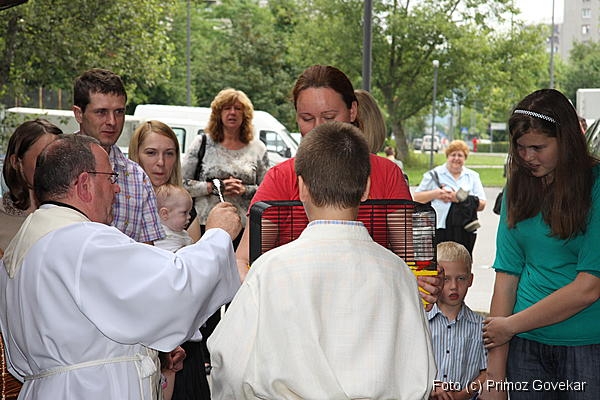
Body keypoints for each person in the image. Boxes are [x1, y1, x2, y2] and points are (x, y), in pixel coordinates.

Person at [0, 134, 242, 400]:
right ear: (85, 184)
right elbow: (172, 287)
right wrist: (218, 235)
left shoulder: (25, 243)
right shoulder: (82, 240)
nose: (116, 189)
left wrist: (152, 350)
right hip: (92, 391)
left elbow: (106, 321)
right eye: (110, 178)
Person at [208, 121, 436, 399]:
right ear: (366, 188)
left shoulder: (270, 270)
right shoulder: (398, 274)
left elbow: (229, 363)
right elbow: (420, 370)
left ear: (301, 187)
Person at [235, 65, 441, 305]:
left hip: (371, 309)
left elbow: (411, 262)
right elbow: (243, 261)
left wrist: (425, 282)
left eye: (329, 117)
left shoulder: (387, 174)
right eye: (307, 118)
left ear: (353, 111)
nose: (318, 127)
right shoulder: (280, 178)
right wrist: (269, 300)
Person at [480, 89, 600, 400]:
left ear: (567, 140)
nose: (527, 157)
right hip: (525, 348)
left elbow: (589, 287)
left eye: (538, 147)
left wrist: (510, 326)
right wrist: (495, 377)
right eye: (520, 148)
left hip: (587, 346)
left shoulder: (596, 186)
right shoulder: (517, 188)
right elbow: (506, 279)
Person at [73, 68, 164, 244]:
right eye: (101, 112)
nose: (112, 121)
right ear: (79, 114)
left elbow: (147, 251)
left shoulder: (137, 177)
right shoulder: (56, 165)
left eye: (119, 112)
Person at [182, 88, 270, 249]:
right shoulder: (202, 143)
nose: (232, 112)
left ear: (245, 115)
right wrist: (213, 187)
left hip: (245, 228)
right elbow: (181, 184)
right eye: (227, 108)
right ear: (218, 113)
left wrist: (245, 190)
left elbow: (268, 191)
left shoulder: (258, 148)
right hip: (205, 225)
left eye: (238, 108)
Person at [428, 241, 486, 400]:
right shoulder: (421, 323)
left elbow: (486, 372)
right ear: (434, 279)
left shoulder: (480, 327)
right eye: (446, 279)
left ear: (470, 279)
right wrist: (429, 387)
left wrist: (464, 393)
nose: (454, 286)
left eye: (461, 278)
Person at [129, 120, 201, 241]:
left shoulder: (185, 209)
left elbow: (194, 252)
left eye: (169, 153)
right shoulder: (121, 202)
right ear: (136, 154)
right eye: (151, 153)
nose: (161, 162)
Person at [413, 140, 486, 255]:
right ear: (447, 156)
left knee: (463, 260)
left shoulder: (472, 176)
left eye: (460, 155)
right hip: (439, 227)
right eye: (453, 155)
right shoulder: (434, 174)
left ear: (465, 158)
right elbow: (416, 198)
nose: (456, 158)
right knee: (439, 261)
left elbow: (482, 204)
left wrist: (459, 198)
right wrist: (436, 194)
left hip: (464, 228)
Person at [0, 119, 62, 251]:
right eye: (42, 159)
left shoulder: (71, 216)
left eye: (57, 159)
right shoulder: (2, 218)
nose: (51, 167)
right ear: (16, 162)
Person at [154, 184, 193, 252]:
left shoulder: (182, 233)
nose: (189, 217)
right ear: (165, 214)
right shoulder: (161, 238)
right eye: (184, 213)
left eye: (189, 212)